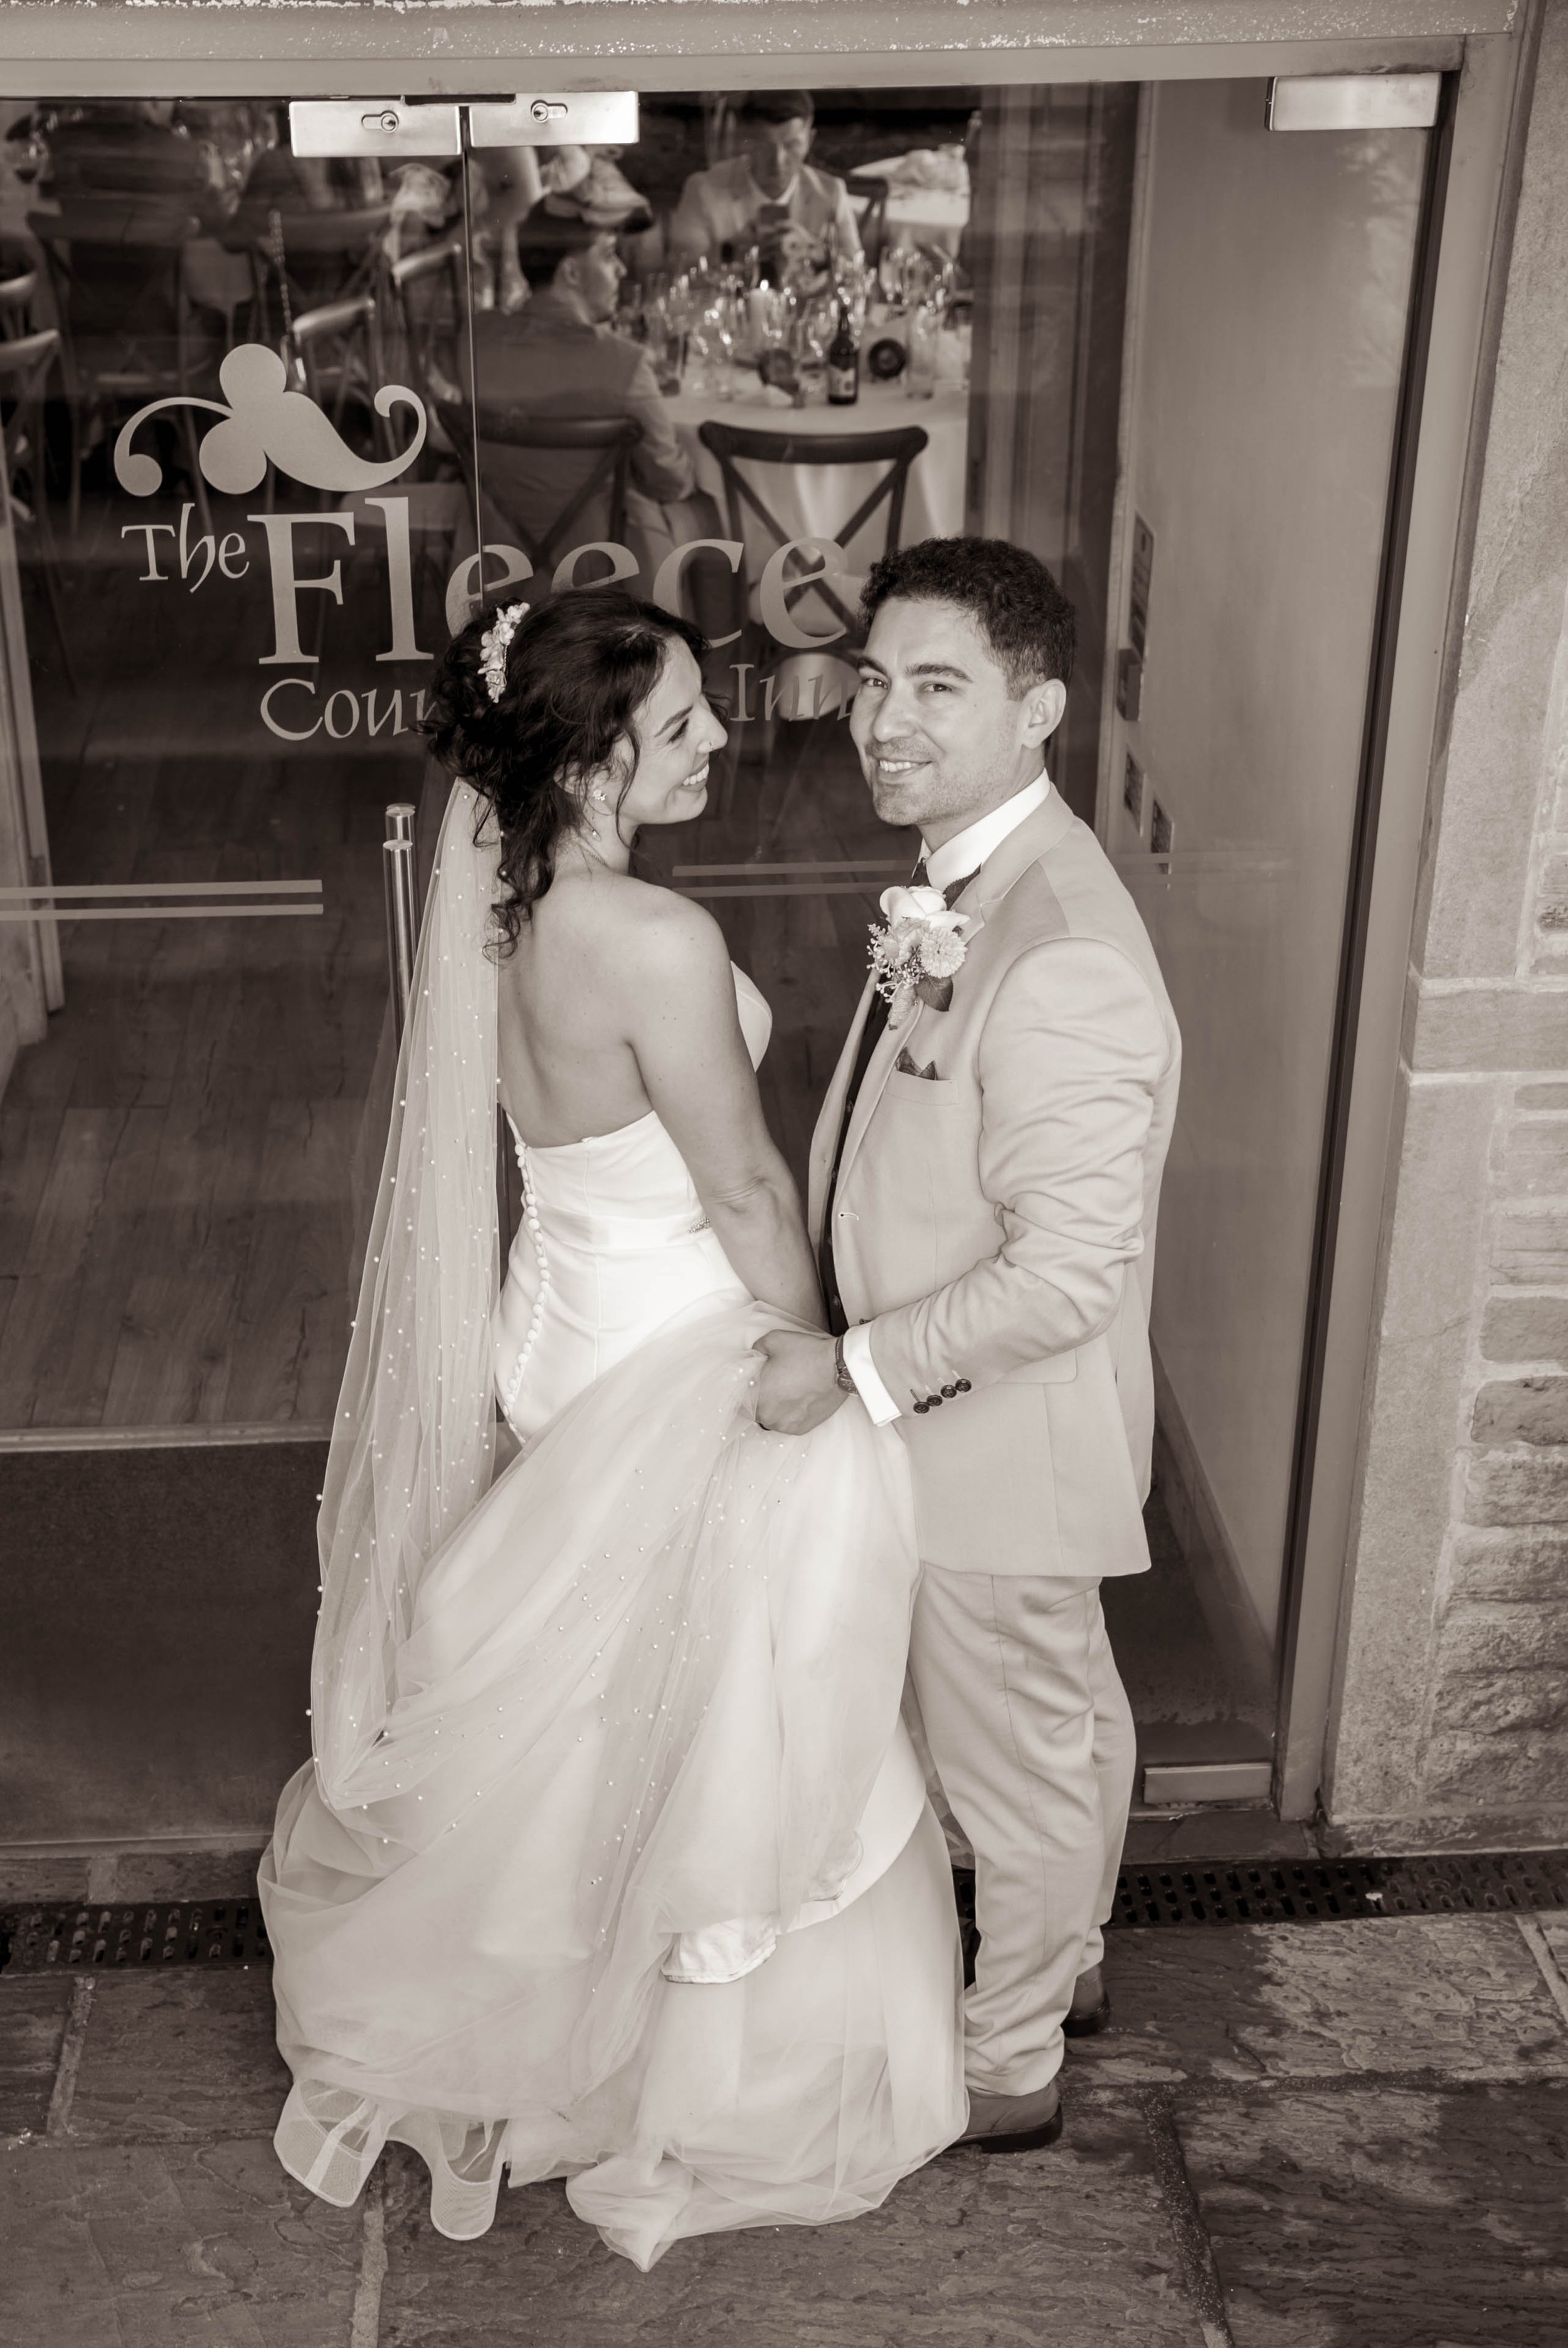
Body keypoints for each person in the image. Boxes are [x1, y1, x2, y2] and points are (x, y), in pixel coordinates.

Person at [260, 586, 965, 2270]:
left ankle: (540, 1986)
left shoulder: (500, 913)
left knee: (592, 1680)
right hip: (672, 1337)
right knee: (729, 1679)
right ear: (587, 753)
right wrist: (814, 1356)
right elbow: (734, 1180)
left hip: (561, 1323)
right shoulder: (649, 942)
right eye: (677, 725)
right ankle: (701, 2057)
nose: (720, 739)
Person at [755, 537, 1181, 2154]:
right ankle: (1063, 1964)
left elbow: (1065, 1273)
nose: (885, 721)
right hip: (962, 1427)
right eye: (874, 680)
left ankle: (1007, 2060)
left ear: (1041, 706)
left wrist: (856, 1367)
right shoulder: (964, 883)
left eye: (938, 687)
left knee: (1018, 1762)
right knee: (1058, 1714)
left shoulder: (1058, 945)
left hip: (991, 1440)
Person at [460, 201, 716, 590]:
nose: (622, 270)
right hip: (596, 569)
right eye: (610, 255)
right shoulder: (624, 365)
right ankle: (708, 648)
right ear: (572, 273)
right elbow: (669, 481)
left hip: (492, 559)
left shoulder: (474, 340)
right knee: (711, 513)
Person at [668, 91, 861, 279]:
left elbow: (857, 273)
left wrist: (817, 253)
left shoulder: (831, 192)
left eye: (792, 145)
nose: (778, 162)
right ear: (745, 142)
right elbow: (680, 274)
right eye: (764, 146)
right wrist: (730, 253)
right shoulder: (704, 189)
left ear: (809, 141)